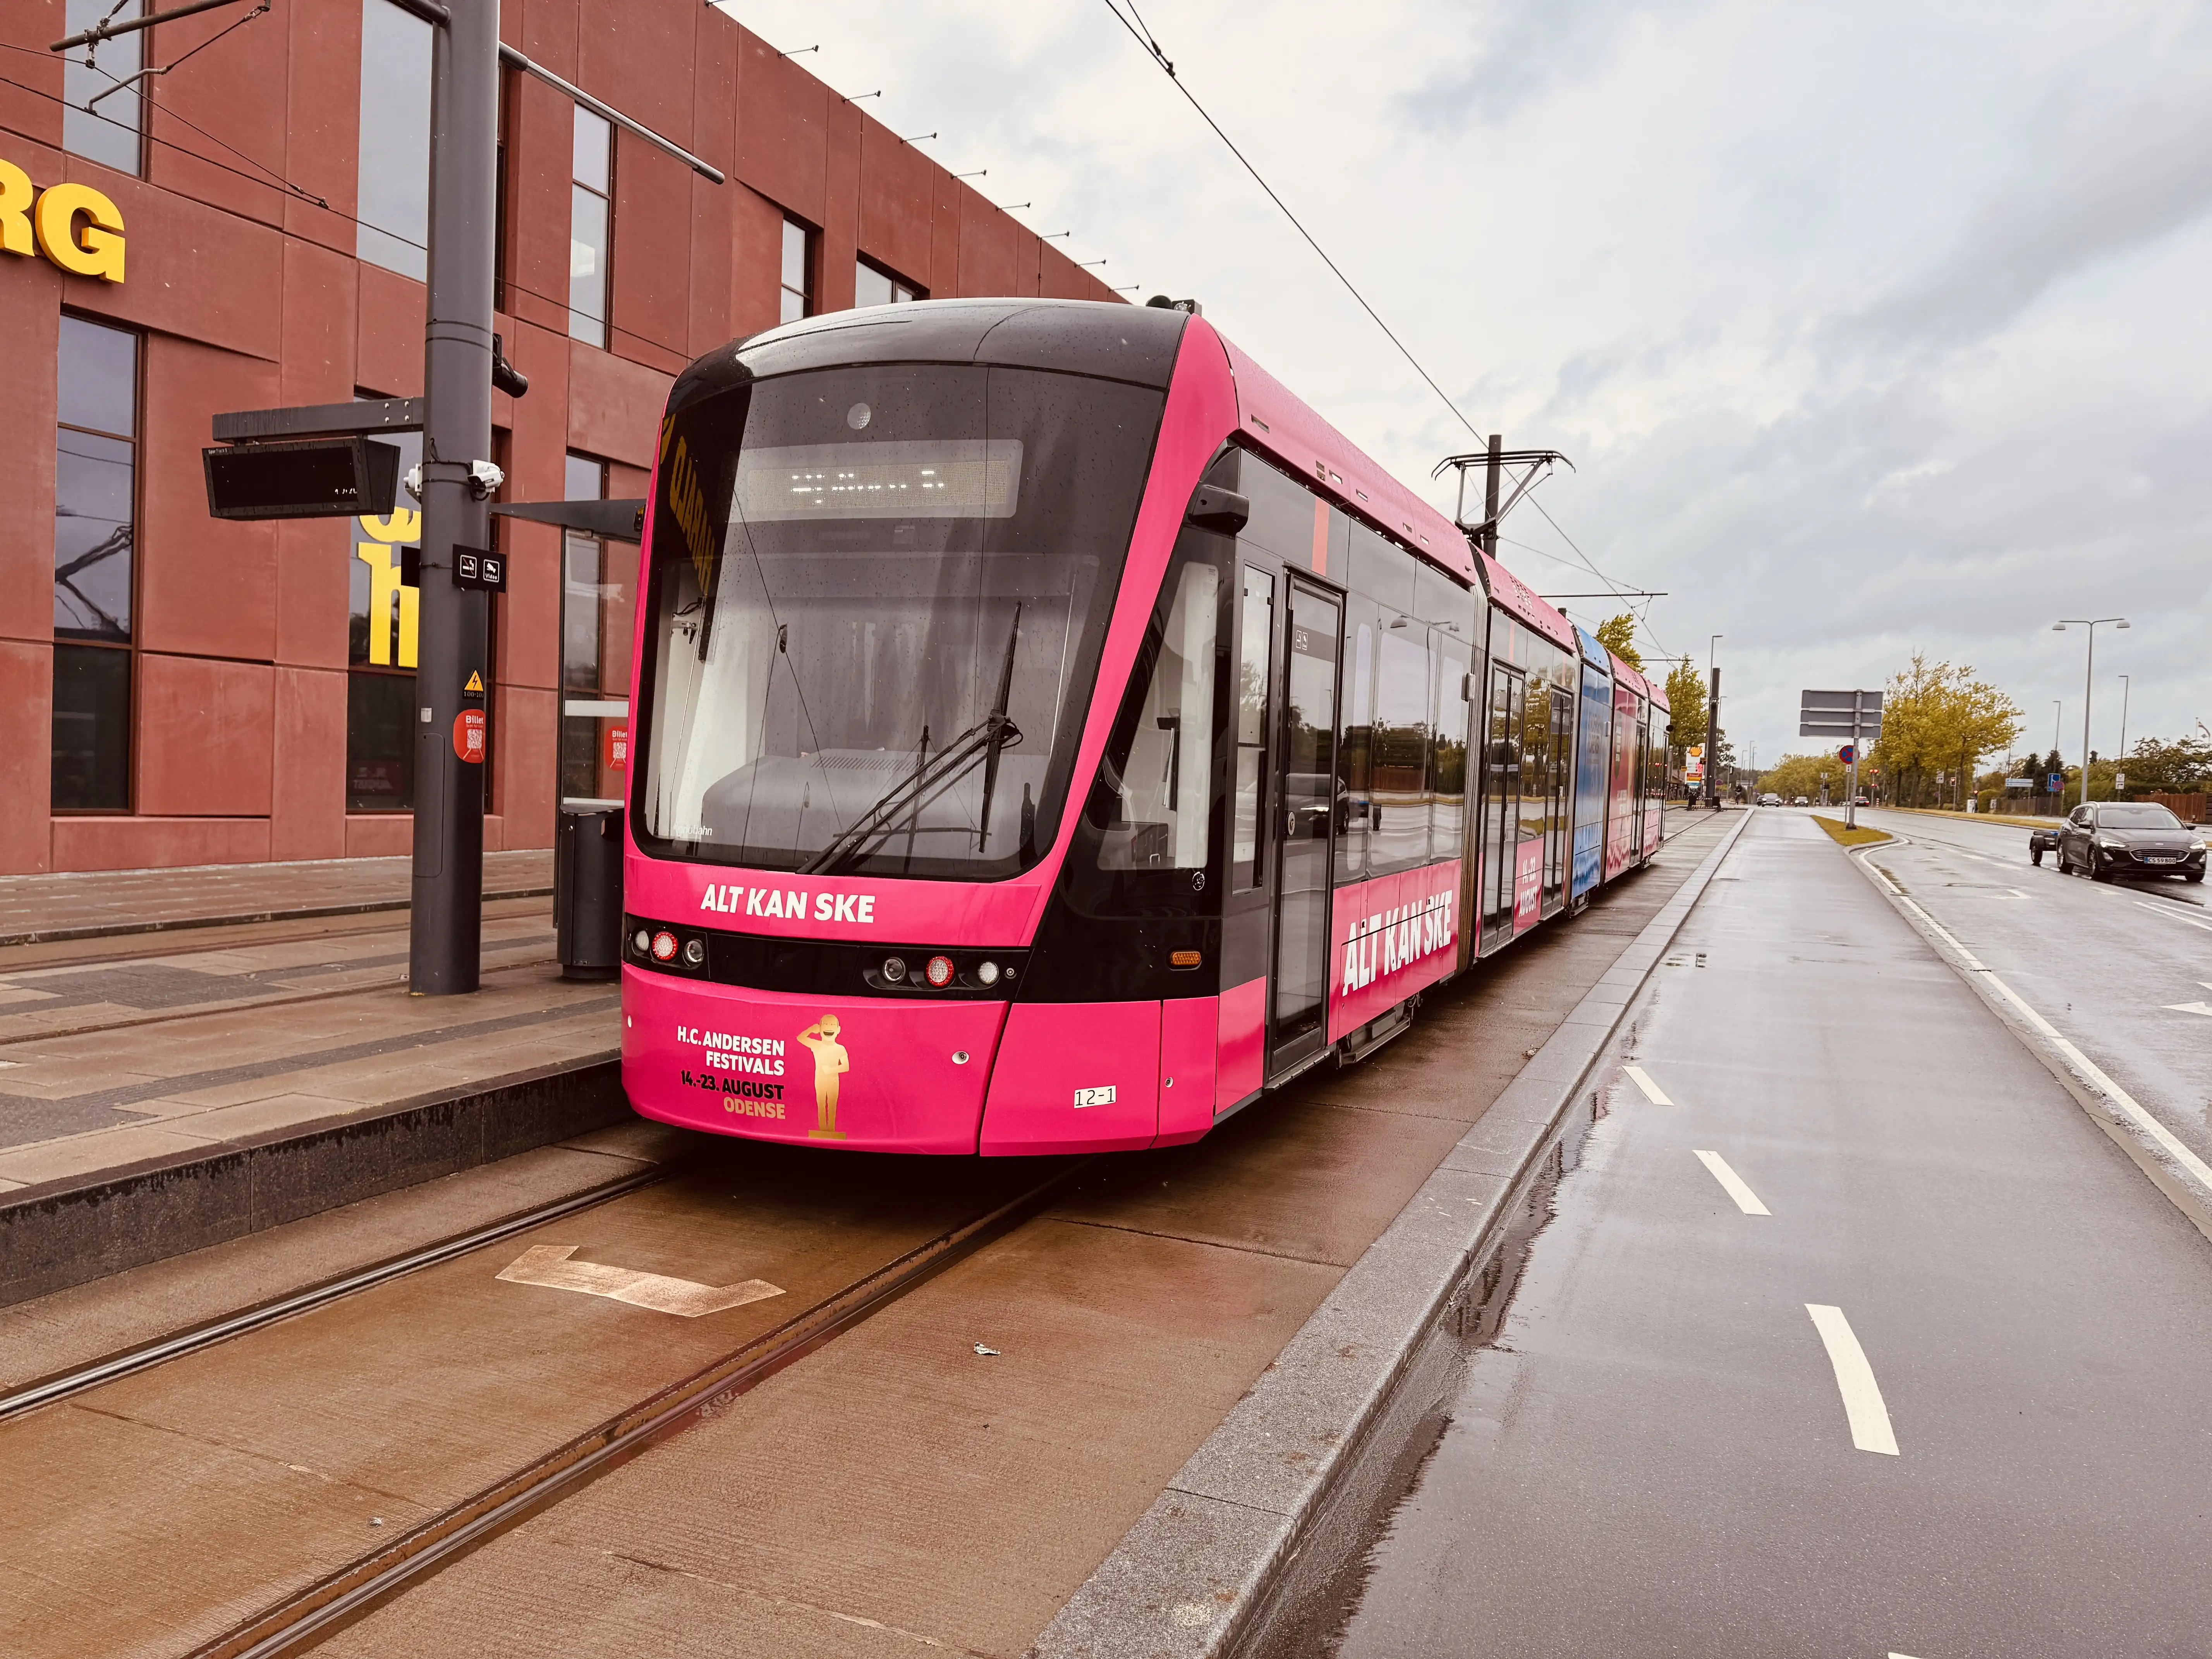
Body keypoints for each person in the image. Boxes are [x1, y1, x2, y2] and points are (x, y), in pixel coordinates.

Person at [795, 1015, 850, 1139]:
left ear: (838, 1030)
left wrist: (831, 1070)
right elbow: (800, 1038)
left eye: (832, 1025)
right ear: (820, 1029)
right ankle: (822, 1130)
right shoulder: (817, 1045)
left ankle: (831, 1130)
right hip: (820, 1080)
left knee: (832, 1105)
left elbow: (846, 1067)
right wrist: (811, 1029)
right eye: (826, 1025)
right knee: (821, 1104)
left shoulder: (840, 1048)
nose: (829, 1028)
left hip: (834, 1081)